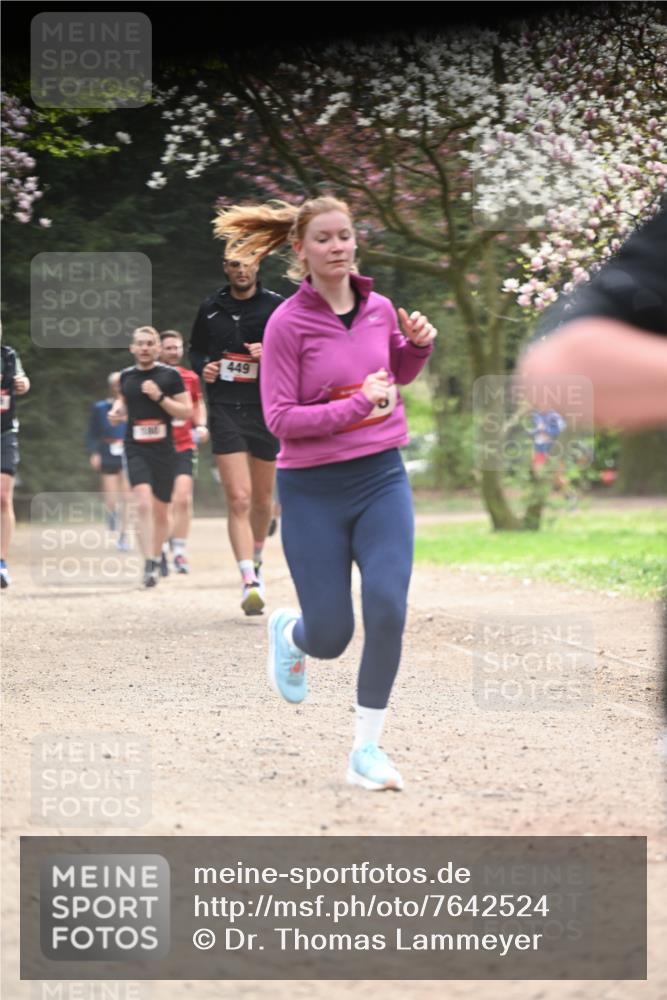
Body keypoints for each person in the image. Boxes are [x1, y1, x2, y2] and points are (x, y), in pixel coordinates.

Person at [214, 196, 437, 791]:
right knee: (332, 637)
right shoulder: (286, 323)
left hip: (381, 477)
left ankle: (367, 750)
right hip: (313, 489)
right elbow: (281, 419)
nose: (338, 247)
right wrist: (357, 403)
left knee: (388, 607)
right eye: (324, 239)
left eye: (345, 236)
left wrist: (414, 348)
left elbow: (394, 376)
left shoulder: (380, 307)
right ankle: (291, 634)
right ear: (300, 250)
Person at [189, 248, 284, 615]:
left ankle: (257, 555)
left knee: (262, 502)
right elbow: (196, 351)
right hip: (226, 407)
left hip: (265, 409)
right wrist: (206, 368)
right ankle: (249, 581)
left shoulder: (277, 306)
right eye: (234, 263)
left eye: (247, 262)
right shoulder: (210, 306)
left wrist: (271, 354)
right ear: (224, 267)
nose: (241, 269)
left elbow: (297, 351)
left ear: (258, 265)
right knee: (240, 499)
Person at [109, 326, 192, 588]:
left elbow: (186, 411)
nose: (144, 348)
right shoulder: (126, 376)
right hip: (135, 446)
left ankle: (156, 556)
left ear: (157, 349)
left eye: (149, 344)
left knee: (160, 510)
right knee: (142, 502)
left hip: (164, 449)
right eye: (140, 344)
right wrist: (116, 411)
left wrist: (160, 397)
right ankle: (148, 562)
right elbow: (124, 400)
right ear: (132, 348)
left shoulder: (170, 376)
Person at [159, 330, 209, 574]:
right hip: (157, 448)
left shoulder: (190, 377)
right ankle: (161, 550)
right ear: (159, 350)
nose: (173, 352)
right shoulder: (150, 378)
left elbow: (198, 405)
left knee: (182, 498)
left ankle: (179, 551)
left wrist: (201, 425)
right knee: (163, 503)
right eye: (168, 347)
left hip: (184, 445)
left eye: (176, 347)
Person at [86, 372, 131, 551]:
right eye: (116, 384)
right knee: (111, 496)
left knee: (127, 496)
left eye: (121, 384)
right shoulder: (100, 408)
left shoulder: (133, 406)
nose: (118, 387)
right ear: (111, 386)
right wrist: (94, 453)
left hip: (128, 452)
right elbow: (92, 433)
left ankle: (124, 535)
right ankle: (113, 514)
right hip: (108, 452)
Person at [0, 338, 30, 588]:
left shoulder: (9, 355)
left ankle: (1, 562)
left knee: (2, 497)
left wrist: (22, 384)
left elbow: (23, 380)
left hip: (5, 433)